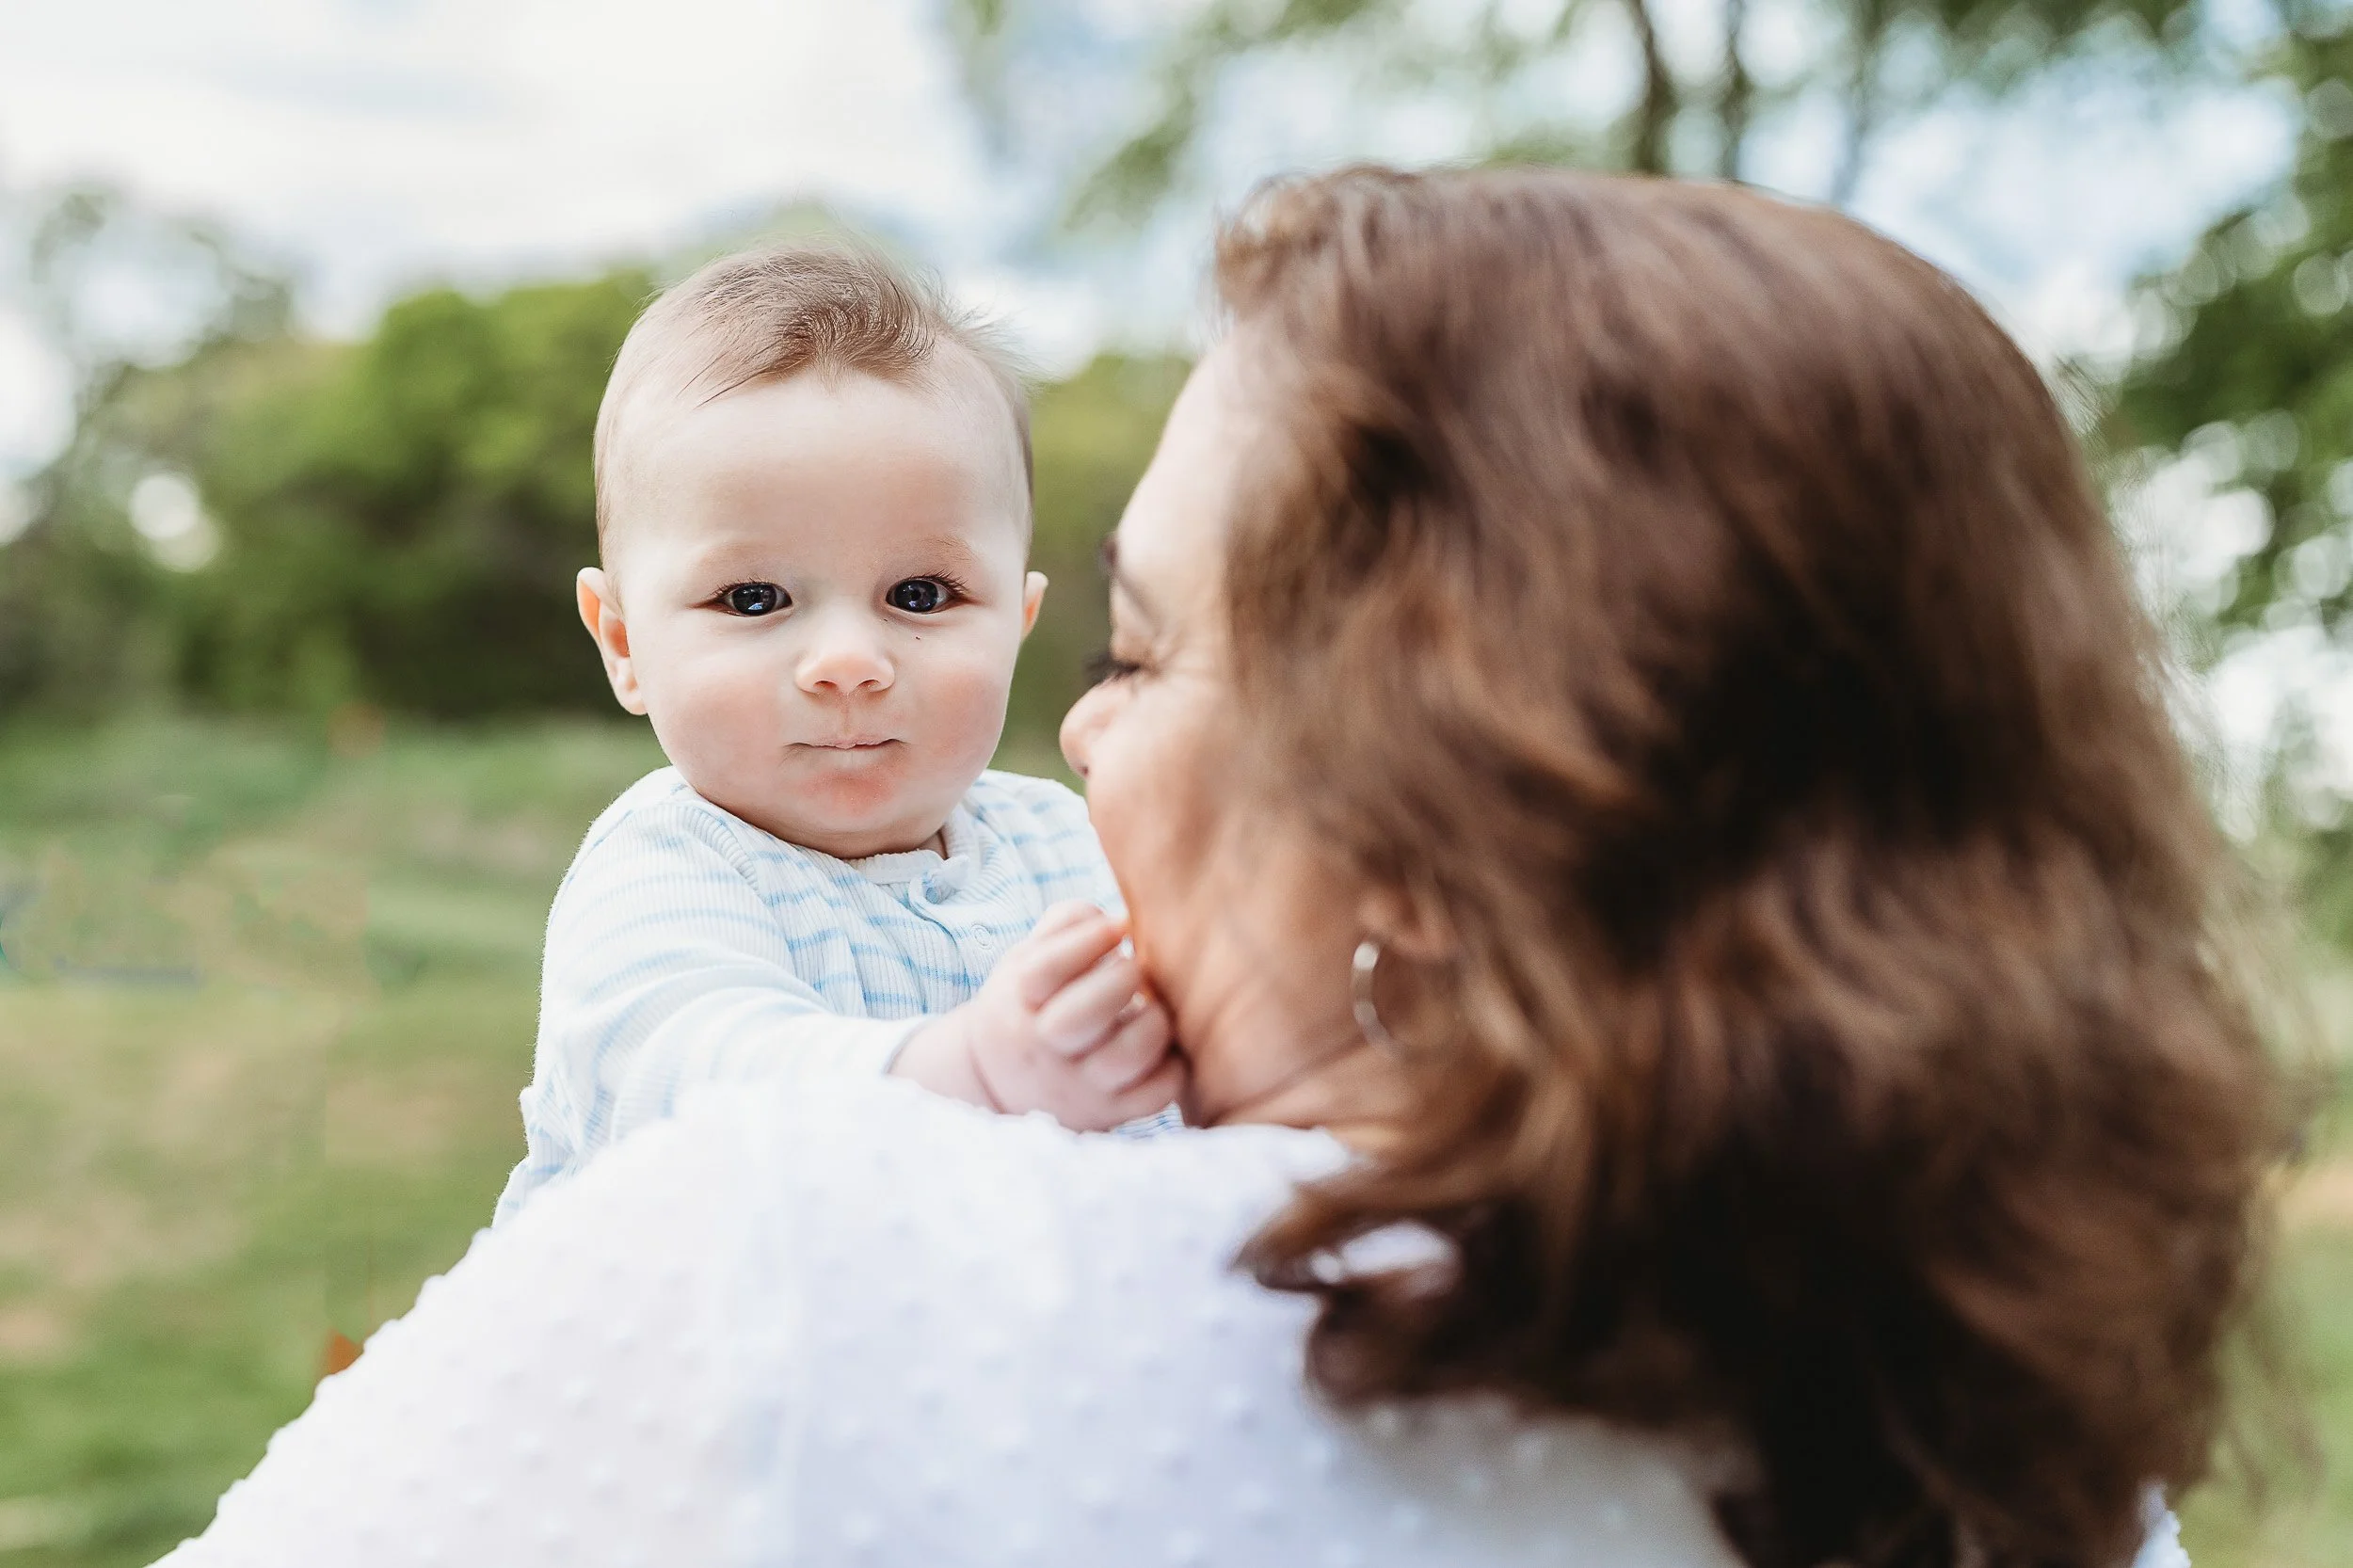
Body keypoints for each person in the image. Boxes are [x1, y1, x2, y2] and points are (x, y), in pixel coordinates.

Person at [156, 168, 2275, 1568]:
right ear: (623, 632)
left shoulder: (804, 1276)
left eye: (1132, 649)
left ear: (1444, 814)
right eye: (751, 601)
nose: (1076, 727)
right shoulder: (2041, 1456)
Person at [493, 245, 1181, 1224]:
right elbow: (696, 1091)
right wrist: (969, 1068)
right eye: (755, 597)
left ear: (1015, 623)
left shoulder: (1072, 847)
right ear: (624, 643)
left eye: (919, 593)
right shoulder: (671, 865)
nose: (849, 660)